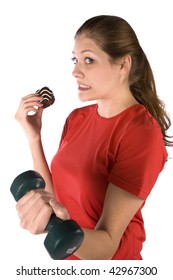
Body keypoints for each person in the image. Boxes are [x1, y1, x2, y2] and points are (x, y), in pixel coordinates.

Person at [15, 15, 173, 260]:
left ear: (123, 64)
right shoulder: (77, 119)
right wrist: (34, 138)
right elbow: (57, 199)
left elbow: (107, 246)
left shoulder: (141, 133)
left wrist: (62, 225)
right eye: (75, 60)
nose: (75, 71)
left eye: (88, 60)